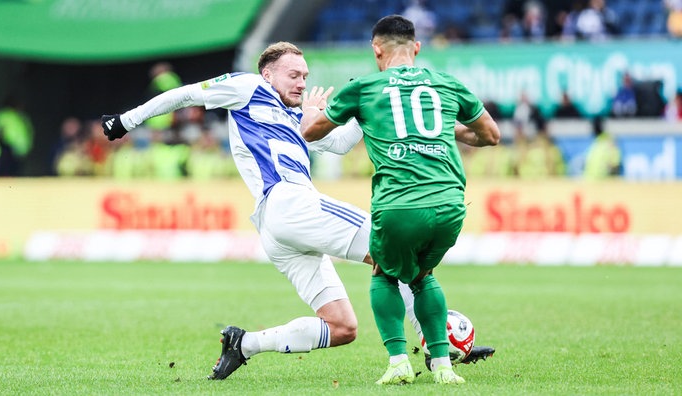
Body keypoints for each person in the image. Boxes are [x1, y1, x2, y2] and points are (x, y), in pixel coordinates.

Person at [100, 42, 497, 381]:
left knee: (342, 327)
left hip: (280, 228)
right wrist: (126, 120)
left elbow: (338, 145)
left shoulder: (296, 117)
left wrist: (361, 111)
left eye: (305, 75)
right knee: (395, 252)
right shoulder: (247, 87)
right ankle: (437, 346)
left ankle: (245, 344)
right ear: (268, 73)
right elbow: (184, 94)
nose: (302, 82)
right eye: (293, 75)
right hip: (290, 202)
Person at [301, 15, 501, 386]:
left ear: (376, 50)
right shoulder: (447, 84)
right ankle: (443, 366)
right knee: (423, 276)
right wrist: (442, 128)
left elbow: (311, 134)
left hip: (399, 204)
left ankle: (398, 362)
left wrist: (310, 111)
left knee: (384, 273)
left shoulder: (364, 87)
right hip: (450, 204)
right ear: (418, 48)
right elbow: (490, 134)